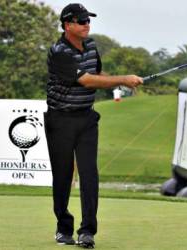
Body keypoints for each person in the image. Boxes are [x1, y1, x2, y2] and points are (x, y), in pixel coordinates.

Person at [44, 3, 143, 248]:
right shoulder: (59, 52)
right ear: (68, 25)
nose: (87, 24)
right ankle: (63, 227)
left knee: (90, 175)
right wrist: (124, 80)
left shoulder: (90, 45)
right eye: (81, 21)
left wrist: (119, 83)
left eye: (88, 20)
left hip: (86, 118)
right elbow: (87, 81)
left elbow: (97, 74)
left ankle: (87, 231)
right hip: (61, 120)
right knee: (63, 176)